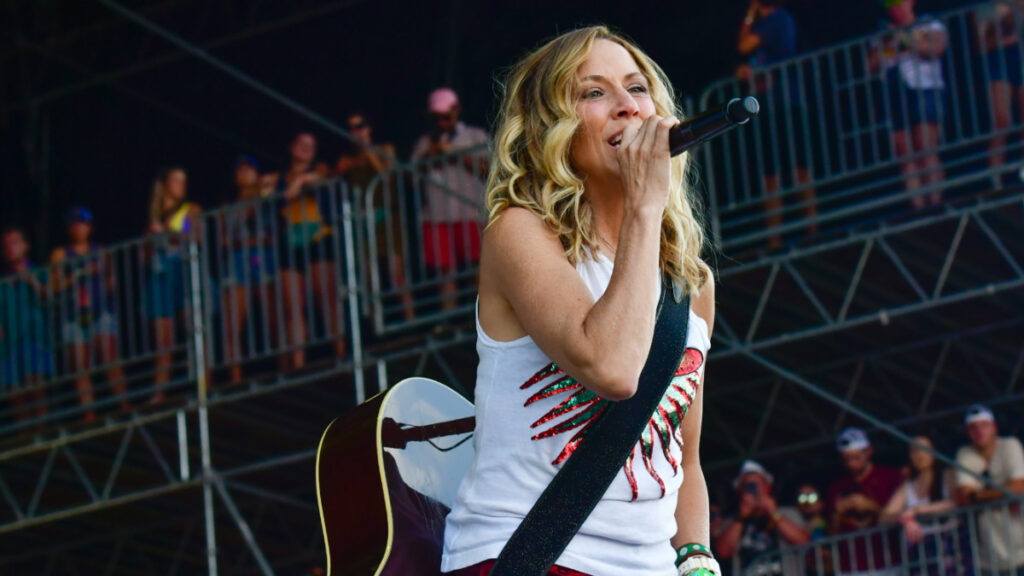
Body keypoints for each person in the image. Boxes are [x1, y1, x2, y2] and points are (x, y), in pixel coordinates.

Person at [441, 26, 716, 576]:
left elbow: (683, 457)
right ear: (551, 129)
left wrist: (697, 558)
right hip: (536, 557)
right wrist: (644, 207)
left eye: (637, 88)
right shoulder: (519, 234)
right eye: (594, 92)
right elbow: (611, 368)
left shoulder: (690, 283)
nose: (627, 107)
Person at [736, 0, 817, 248]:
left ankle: (812, 231)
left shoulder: (777, 19)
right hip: (771, 107)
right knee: (771, 173)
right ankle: (775, 240)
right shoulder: (773, 25)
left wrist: (750, 15)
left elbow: (744, 45)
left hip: (787, 104)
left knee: (798, 168)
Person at [268, 132, 343, 370]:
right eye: (302, 143)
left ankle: (341, 354)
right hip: (290, 243)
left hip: (318, 238)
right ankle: (298, 364)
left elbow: (321, 176)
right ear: (292, 147)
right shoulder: (279, 178)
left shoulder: (318, 169)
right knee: (293, 306)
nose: (306, 148)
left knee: (326, 298)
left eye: (311, 145)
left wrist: (300, 181)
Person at [410, 87, 489, 311]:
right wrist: (431, 155)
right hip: (437, 216)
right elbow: (410, 176)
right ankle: (450, 320)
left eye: (445, 116)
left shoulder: (475, 136)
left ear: (457, 110)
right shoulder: (425, 143)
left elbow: (489, 169)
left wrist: (457, 155)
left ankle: (480, 318)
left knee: (477, 268)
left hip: (471, 213)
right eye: (437, 117)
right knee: (446, 273)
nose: (442, 122)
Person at [50, 207, 128, 421]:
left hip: (99, 310)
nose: (79, 228)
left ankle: (124, 405)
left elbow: (111, 282)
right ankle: (89, 414)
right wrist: (79, 274)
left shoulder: (99, 251)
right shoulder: (60, 254)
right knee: (80, 367)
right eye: (74, 223)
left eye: (82, 223)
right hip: (73, 314)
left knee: (109, 359)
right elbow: (54, 285)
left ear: (90, 227)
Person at [335, 112, 414, 322]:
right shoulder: (347, 160)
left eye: (360, 126)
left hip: (388, 218)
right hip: (363, 223)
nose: (356, 132)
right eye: (351, 128)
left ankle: (410, 319)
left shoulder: (385, 149)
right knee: (369, 278)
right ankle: (376, 324)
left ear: (369, 128)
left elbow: (387, 176)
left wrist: (369, 153)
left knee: (396, 273)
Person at [875, 0, 948, 208]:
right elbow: (873, 62)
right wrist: (892, 44)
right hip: (894, 92)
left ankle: (935, 203)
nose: (895, 7)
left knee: (926, 147)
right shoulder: (884, 32)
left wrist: (904, 39)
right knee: (905, 154)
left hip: (925, 87)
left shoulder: (928, 23)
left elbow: (935, 48)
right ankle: (918, 206)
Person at [219, 155, 279, 384]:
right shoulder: (229, 205)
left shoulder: (269, 193)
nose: (245, 173)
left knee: (274, 316)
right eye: (240, 169)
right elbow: (225, 239)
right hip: (237, 261)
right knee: (233, 323)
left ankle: (285, 366)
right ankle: (235, 378)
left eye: (249, 168)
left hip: (263, 257)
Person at [145, 166, 200, 403]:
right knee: (163, 342)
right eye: (176, 180)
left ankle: (202, 385)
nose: (181, 185)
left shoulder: (190, 209)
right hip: (160, 277)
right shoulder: (153, 217)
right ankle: (159, 393)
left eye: (183, 181)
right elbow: (144, 256)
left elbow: (195, 234)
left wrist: (167, 231)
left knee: (195, 333)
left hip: (184, 274)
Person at [953, 404, 1024, 575]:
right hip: (988, 557)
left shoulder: (1009, 445)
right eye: (973, 428)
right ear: (967, 432)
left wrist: (978, 496)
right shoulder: (964, 454)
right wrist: (1004, 493)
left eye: (984, 425)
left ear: (994, 428)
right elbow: (964, 496)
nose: (979, 431)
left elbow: (1019, 487)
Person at [825, 427, 903, 574]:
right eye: (846, 459)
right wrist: (838, 512)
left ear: (869, 451)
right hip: (850, 567)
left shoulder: (891, 477)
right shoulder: (836, 488)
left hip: (888, 562)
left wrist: (870, 506)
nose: (851, 464)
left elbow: (900, 517)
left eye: (856, 458)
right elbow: (830, 536)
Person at [715, 460, 810, 576]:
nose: (753, 490)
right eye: (747, 486)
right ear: (740, 491)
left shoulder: (788, 513)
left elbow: (804, 542)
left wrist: (774, 514)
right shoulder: (732, 521)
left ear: (768, 487)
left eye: (757, 485)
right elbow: (723, 552)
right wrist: (741, 517)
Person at [879, 435, 957, 575]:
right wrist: (904, 518)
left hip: (950, 548)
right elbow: (884, 517)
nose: (920, 454)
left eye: (924, 449)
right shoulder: (908, 486)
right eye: (914, 450)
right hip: (921, 555)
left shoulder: (948, 475)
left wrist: (916, 511)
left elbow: (956, 503)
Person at [0, 226, 53, 423]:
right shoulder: (2, 280)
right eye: (6, 245)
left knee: (36, 387)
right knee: (15, 392)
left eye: (15, 243)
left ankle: (43, 430)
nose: (10, 248)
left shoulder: (38, 271)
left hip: (34, 337)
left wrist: (32, 281)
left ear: (25, 246)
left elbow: (50, 298)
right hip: (8, 345)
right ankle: (25, 432)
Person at [975, 0, 1024, 187]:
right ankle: (995, 178)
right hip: (998, 59)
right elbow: (980, 43)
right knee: (1002, 120)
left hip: (1020, 54)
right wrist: (1001, 24)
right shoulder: (984, 8)